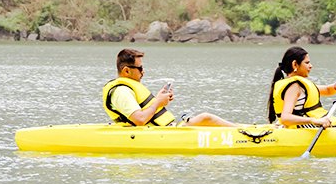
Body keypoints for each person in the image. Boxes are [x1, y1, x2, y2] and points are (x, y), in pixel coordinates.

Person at [102, 48, 238, 128]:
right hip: (154, 135)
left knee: (206, 120)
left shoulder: (127, 89)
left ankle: (245, 130)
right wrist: (158, 102)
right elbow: (140, 119)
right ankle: (247, 133)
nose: (143, 72)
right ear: (126, 71)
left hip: (163, 130)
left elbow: (145, 113)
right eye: (140, 68)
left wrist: (160, 100)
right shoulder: (121, 91)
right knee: (206, 118)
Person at [267, 46, 336, 128]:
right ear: (295, 64)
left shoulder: (300, 85)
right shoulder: (293, 87)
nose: (310, 66)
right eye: (307, 63)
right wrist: (313, 120)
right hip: (301, 129)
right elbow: (285, 118)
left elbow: (328, 90)